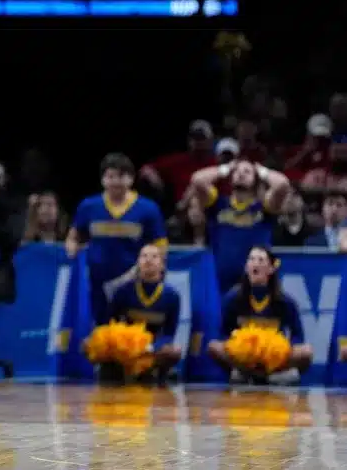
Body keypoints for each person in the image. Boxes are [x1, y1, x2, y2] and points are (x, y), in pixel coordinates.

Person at [66, 153, 167, 325]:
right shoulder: (88, 206)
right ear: (103, 179)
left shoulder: (148, 209)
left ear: (131, 179)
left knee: (131, 331)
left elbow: (160, 245)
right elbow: (74, 235)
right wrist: (72, 247)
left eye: (121, 176)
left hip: (132, 280)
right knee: (99, 328)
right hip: (97, 282)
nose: (115, 182)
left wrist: (154, 271)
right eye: (110, 176)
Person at [207, 246, 312, 384]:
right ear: (246, 267)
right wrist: (239, 347)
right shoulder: (232, 298)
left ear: (271, 269)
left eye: (261, 260)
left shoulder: (285, 301)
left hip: (273, 357)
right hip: (245, 357)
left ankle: (270, 374)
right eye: (251, 259)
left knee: (306, 352)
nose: (255, 263)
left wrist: (281, 348)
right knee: (214, 347)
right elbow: (223, 333)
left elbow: (298, 337)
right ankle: (245, 372)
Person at [189, 159, 290, 293]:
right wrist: (225, 168)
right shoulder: (217, 204)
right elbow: (197, 180)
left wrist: (262, 171)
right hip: (220, 281)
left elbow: (282, 185)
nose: (241, 174)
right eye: (236, 171)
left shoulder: (264, 208)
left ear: (256, 179)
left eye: (247, 172)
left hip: (255, 280)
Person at [101, 243, 182, 384]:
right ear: (138, 262)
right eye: (144, 256)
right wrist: (123, 346)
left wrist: (151, 347)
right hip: (125, 347)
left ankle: (155, 372)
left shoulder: (172, 296)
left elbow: (169, 333)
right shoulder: (123, 291)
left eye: (154, 256)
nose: (148, 260)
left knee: (174, 352)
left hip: (152, 349)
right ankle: (116, 370)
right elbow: (110, 323)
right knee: (91, 344)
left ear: (162, 265)